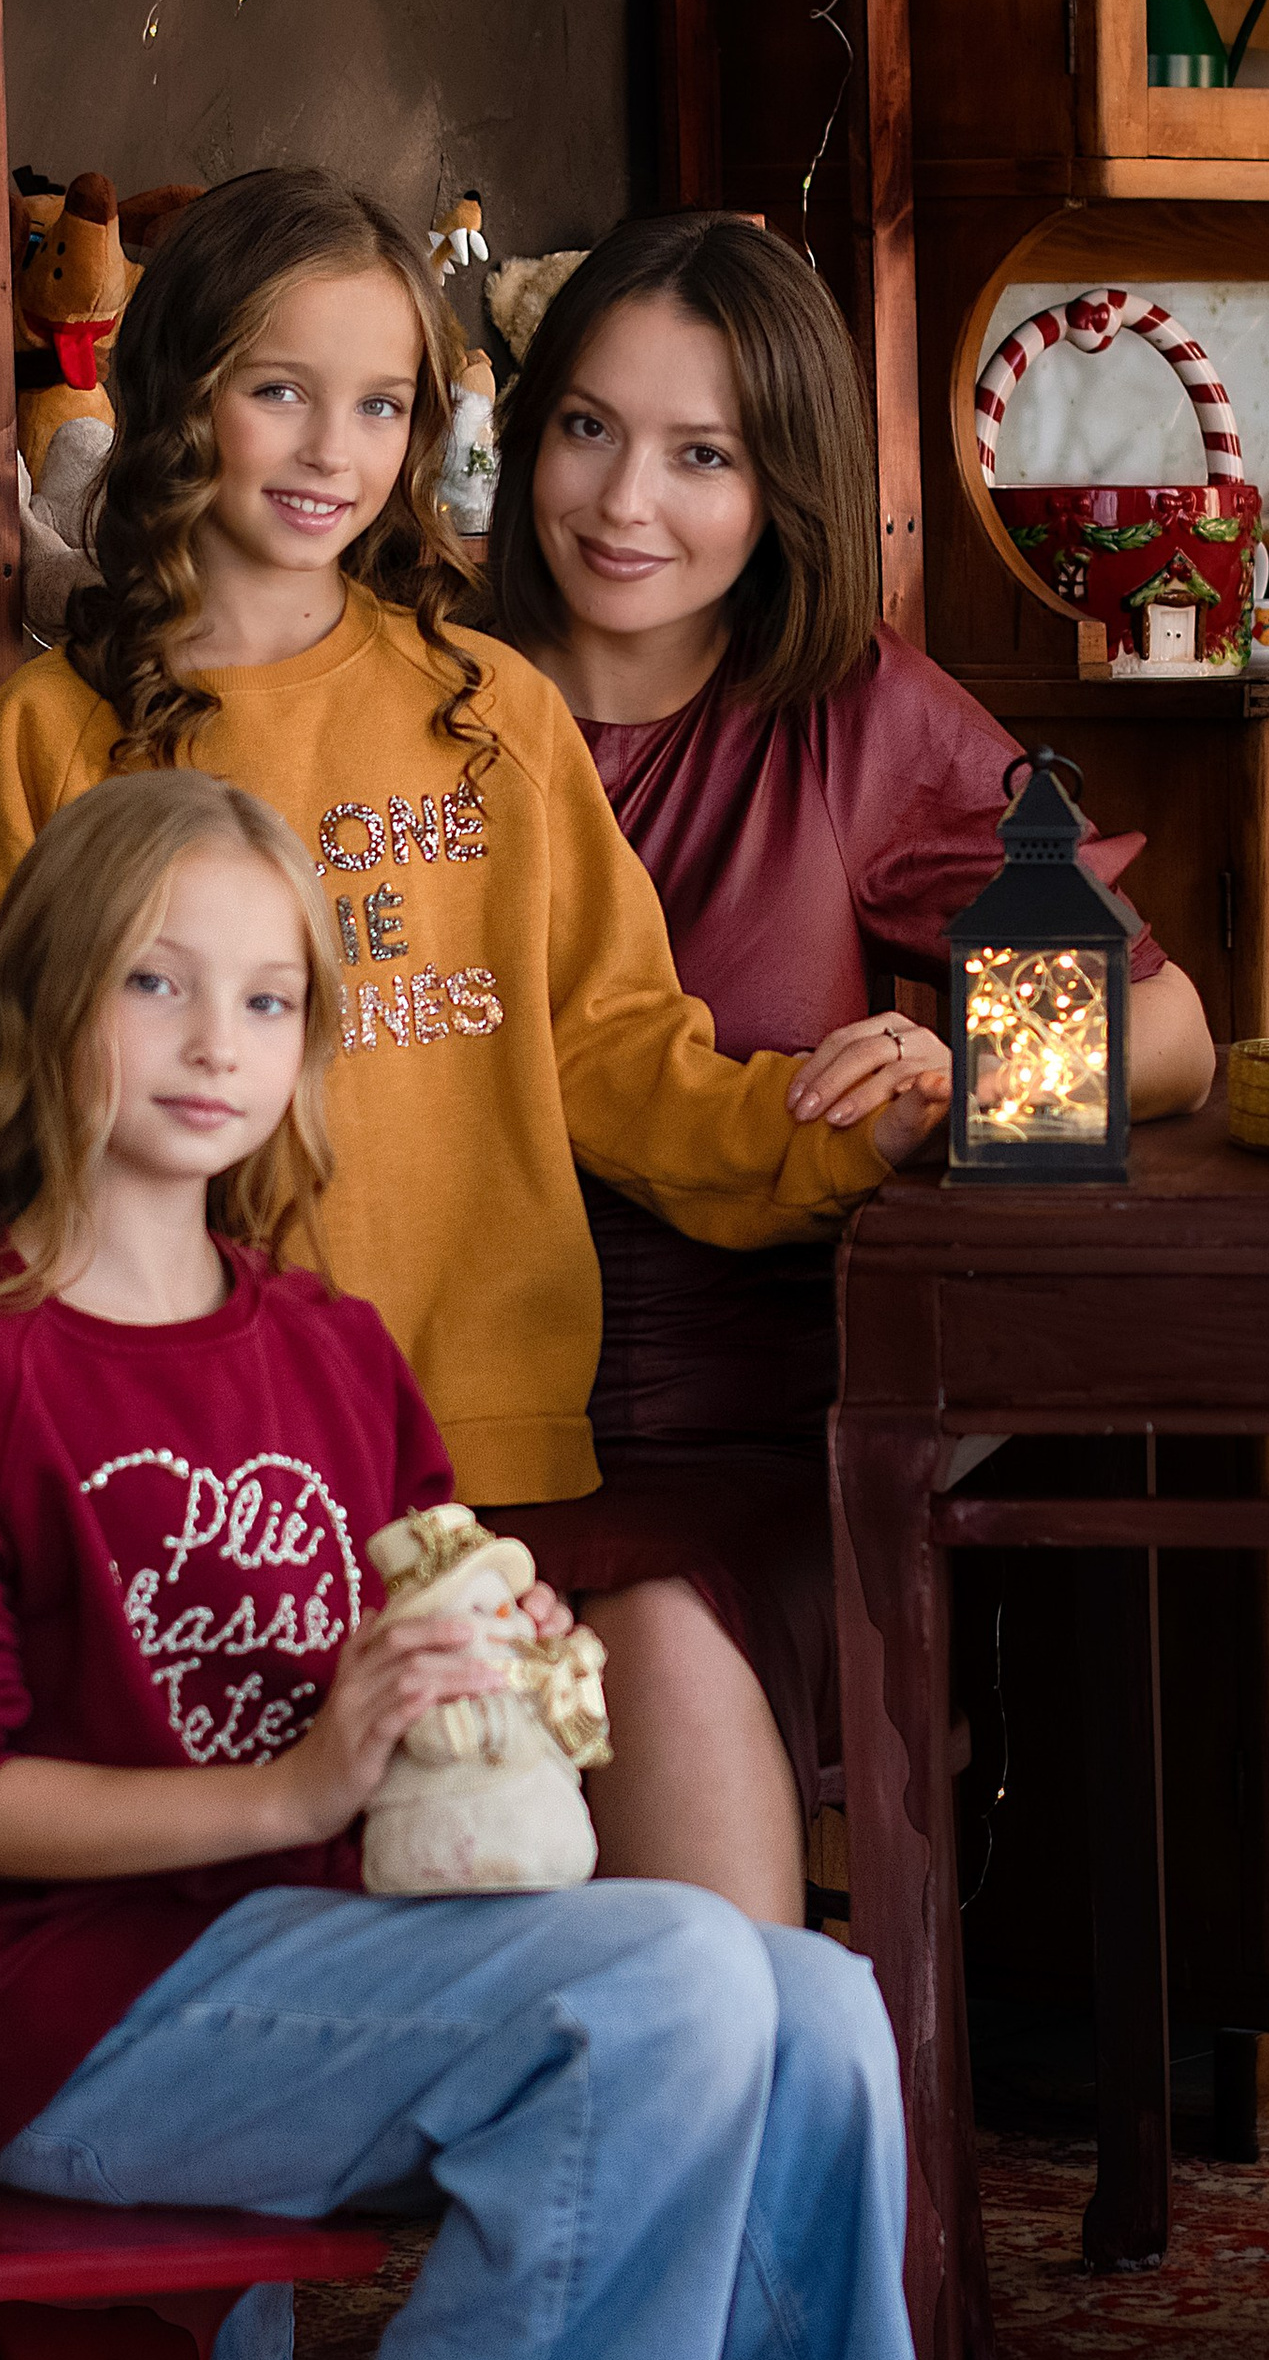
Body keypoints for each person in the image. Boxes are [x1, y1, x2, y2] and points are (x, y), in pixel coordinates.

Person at [0, 771, 924, 2360]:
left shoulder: (327, 1349)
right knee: (669, 1981)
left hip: (327, 1967)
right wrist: (293, 1784)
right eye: (154, 981)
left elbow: (413, 1677)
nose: (215, 1039)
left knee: (815, 2010)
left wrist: (498, 1677)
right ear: (41, 1004)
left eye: (267, 997)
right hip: (64, 2021)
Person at [0, 167, 946, 1517]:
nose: (329, 454)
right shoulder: (53, 734)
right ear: (178, 385)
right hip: (177, 1443)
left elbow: (620, 1056)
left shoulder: (492, 712)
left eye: (380, 405)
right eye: (278, 390)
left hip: (482, 1426)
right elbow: (10, 1120)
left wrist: (833, 1139)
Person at [484, 212, 1218, 1922]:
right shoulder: (421, 698)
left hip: (735, 1437)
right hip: (427, 1400)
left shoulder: (846, 716)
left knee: (648, 1628)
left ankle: (758, 2142)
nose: (622, 505)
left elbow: (1169, 1030)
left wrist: (973, 1071)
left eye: (701, 455)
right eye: (586, 429)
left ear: (782, 483)